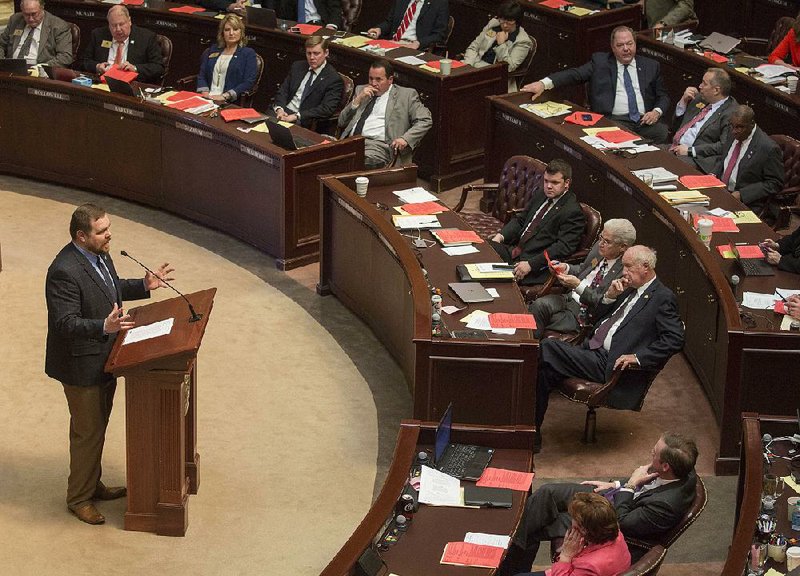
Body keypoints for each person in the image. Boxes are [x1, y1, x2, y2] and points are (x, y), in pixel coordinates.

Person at [45, 204, 174, 525]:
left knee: (97, 426)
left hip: (107, 356)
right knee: (87, 432)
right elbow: (64, 323)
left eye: (108, 228)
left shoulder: (100, 254)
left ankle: (92, 483)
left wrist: (144, 285)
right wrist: (103, 327)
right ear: (81, 236)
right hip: (80, 365)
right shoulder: (64, 270)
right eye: (102, 231)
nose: (109, 235)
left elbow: (110, 287)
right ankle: (78, 498)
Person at [534, 246, 684, 450]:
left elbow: (675, 339)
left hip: (610, 361)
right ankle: (532, 434)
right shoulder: (628, 288)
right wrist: (610, 297)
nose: (624, 272)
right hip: (591, 349)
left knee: (547, 347)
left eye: (629, 267)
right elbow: (597, 318)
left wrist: (638, 357)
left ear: (645, 267)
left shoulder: (662, 297)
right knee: (545, 370)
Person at [498, 433, 698, 575]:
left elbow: (623, 522)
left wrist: (628, 487)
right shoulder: (682, 469)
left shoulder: (666, 506)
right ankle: (507, 550)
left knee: (541, 524)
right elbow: (644, 480)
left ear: (665, 466)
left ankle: (503, 560)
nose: (650, 454)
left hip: (609, 520)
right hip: (614, 498)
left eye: (654, 453)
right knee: (548, 493)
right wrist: (615, 484)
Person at [521, 26, 670, 144]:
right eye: (620, 45)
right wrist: (543, 83)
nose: (626, 48)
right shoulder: (600, 62)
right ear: (612, 47)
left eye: (629, 44)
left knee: (663, 133)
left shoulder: (651, 65)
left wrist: (656, 112)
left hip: (644, 121)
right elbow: (574, 74)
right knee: (622, 141)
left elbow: (663, 96)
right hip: (614, 120)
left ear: (635, 44)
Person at [529, 219, 636, 340]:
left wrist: (578, 285)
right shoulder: (599, 247)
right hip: (569, 298)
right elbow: (584, 268)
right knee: (538, 306)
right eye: (601, 237)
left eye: (607, 241)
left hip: (584, 314)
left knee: (537, 317)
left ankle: (529, 352)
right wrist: (566, 268)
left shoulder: (626, 271)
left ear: (623, 247)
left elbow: (602, 303)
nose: (601, 243)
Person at [488, 159, 585, 286]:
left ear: (567, 183)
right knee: (479, 250)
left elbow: (562, 247)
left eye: (554, 182)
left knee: (490, 279)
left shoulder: (572, 211)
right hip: (513, 251)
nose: (548, 186)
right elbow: (521, 220)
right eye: (546, 181)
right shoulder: (541, 194)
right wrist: (500, 236)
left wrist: (531, 264)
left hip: (531, 265)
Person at [338, 59, 432, 168]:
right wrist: (357, 100)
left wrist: (405, 139)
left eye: (378, 80)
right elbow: (341, 122)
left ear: (390, 79)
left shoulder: (406, 95)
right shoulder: (361, 91)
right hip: (350, 142)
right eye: (371, 78)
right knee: (321, 156)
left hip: (378, 147)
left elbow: (425, 120)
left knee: (353, 163)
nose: (373, 84)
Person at [515, 492, 631, 576]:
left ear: (584, 529)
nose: (571, 519)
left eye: (573, 518)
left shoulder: (590, 565)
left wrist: (566, 555)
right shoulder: (616, 533)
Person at [714, 105, 784, 214]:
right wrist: (713, 175)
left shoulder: (768, 148)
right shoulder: (734, 131)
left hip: (746, 202)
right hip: (720, 191)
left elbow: (775, 183)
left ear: (751, 124)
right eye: (732, 126)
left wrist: (742, 194)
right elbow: (724, 159)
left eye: (739, 127)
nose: (734, 131)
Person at [669, 68, 737, 173]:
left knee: (667, 166)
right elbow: (674, 127)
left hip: (696, 159)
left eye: (704, 84)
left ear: (716, 90)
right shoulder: (700, 98)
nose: (700, 86)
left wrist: (690, 151)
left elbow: (723, 146)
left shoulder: (731, 113)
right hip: (674, 147)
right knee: (648, 153)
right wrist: (683, 102)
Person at [273, 35, 344, 131]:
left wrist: (297, 116)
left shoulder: (333, 79)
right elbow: (283, 91)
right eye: (308, 53)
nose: (312, 57)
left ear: (326, 53)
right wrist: (280, 109)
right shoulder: (297, 66)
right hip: (282, 112)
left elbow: (326, 108)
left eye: (316, 53)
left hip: (303, 119)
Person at [80, 5, 165, 84]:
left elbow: (158, 67)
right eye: (113, 25)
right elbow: (84, 61)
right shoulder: (98, 35)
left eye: (121, 24)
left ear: (129, 21)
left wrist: (135, 68)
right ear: (108, 24)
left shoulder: (146, 38)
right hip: (102, 83)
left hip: (131, 86)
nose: (118, 29)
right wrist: (97, 66)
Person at [462, 0, 533, 92]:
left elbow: (508, 67)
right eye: (502, 20)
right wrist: (468, 66)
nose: (505, 25)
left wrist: (501, 45)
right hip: (474, 67)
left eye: (510, 21)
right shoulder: (493, 24)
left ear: (517, 21)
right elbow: (474, 47)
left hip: (495, 77)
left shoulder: (523, 41)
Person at [196, 14, 258, 105]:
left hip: (229, 102)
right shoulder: (212, 50)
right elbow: (202, 74)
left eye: (235, 29)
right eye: (227, 30)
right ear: (222, 33)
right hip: (207, 98)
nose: (231, 33)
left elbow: (249, 82)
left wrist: (226, 95)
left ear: (241, 32)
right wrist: (205, 92)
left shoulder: (248, 54)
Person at [0, 0, 72, 67]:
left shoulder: (58, 26)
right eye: (26, 14)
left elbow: (65, 57)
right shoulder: (15, 19)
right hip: (10, 71)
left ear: (42, 8)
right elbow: (1, 44)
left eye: (34, 14)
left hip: (39, 74)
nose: (30, 19)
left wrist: (40, 68)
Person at [366, 0, 449, 51]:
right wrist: (379, 29)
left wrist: (419, 43)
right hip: (392, 43)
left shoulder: (440, 3)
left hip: (412, 47)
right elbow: (390, 22)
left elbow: (439, 35)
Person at [273, 0, 344, 30]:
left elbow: (335, 10)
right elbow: (285, 14)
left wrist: (331, 26)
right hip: (298, 27)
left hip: (320, 24)